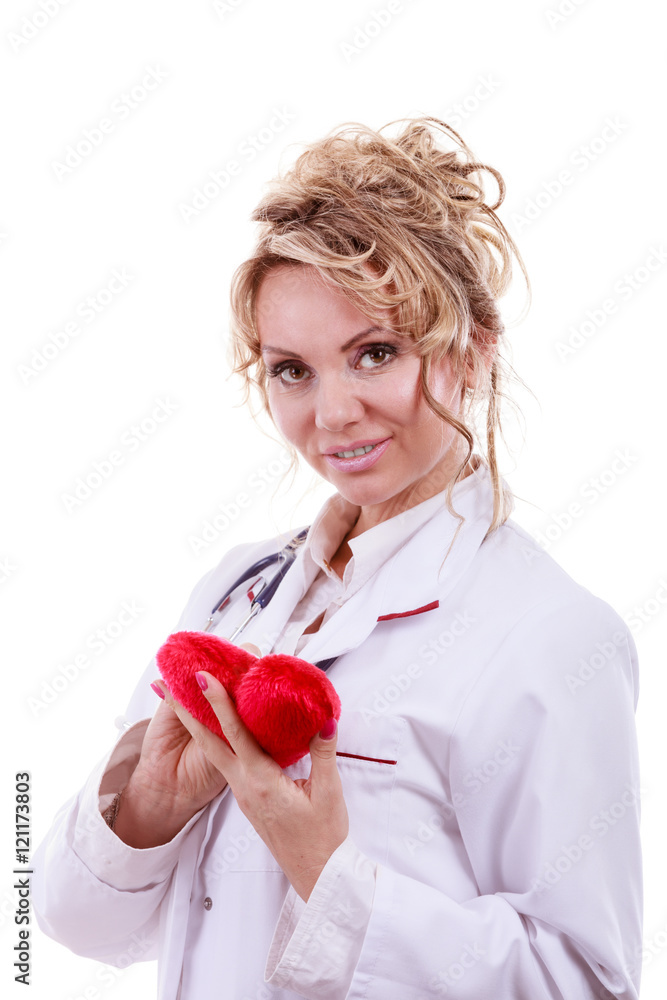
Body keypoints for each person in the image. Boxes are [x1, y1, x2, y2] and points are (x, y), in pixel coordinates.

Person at [33, 116, 642, 1000]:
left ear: (472, 351)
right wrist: (152, 807)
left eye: (375, 354)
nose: (332, 414)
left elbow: (582, 982)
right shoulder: (234, 594)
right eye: (292, 369)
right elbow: (68, 924)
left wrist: (330, 874)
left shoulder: (548, 635)